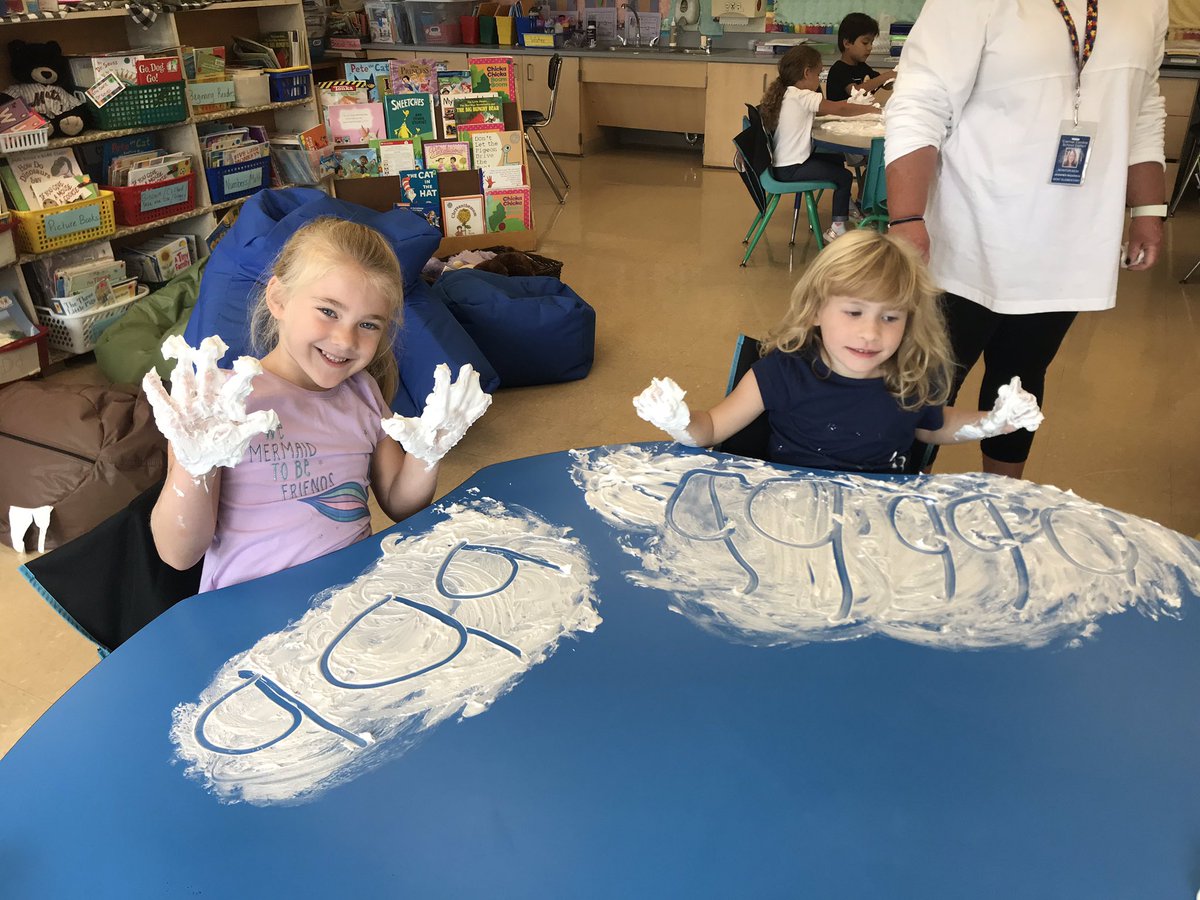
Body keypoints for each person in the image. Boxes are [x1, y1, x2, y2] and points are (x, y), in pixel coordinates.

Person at [884, 0, 1168, 479]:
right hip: (965, 236)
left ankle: (1004, 501)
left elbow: (1144, 105)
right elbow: (921, 100)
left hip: (1069, 239)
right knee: (926, 383)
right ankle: (893, 495)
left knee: (1021, 380)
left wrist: (1148, 208)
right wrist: (907, 217)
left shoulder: (1149, 5)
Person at [145, 217, 491, 593]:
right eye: (328, 311)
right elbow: (178, 554)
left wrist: (427, 454)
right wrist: (195, 468)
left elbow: (400, 504)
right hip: (253, 613)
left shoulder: (364, 394)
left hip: (349, 601)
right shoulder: (217, 405)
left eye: (369, 324)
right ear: (279, 299)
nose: (345, 340)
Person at [634, 230, 1044, 474]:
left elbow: (933, 426)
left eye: (890, 317)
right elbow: (711, 428)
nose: (870, 333)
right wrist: (679, 421)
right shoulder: (780, 372)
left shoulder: (907, 378)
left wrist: (992, 423)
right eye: (853, 312)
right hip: (788, 509)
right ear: (815, 310)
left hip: (876, 515)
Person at [760, 44, 877, 243]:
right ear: (807, 73)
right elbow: (839, 108)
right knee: (844, 176)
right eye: (819, 74)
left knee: (836, 159)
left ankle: (846, 207)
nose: (819, 79)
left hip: (782, 164)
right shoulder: (803, 96)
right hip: (791, 168)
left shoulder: (789, 93)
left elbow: (827, 110)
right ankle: (837, 228)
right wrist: (872, 110)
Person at [825, 13, 895, 102]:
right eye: (865, 43)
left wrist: (899, 77)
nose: (870, 48)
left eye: (871, 43)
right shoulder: (838, 70)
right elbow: (856, 92)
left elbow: (886, 85)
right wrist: (886, 76)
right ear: (847, 43)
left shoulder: (863, 67)